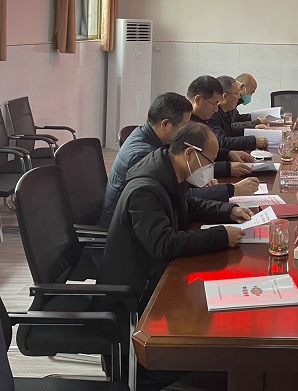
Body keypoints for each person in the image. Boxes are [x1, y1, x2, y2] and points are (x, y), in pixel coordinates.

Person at [99, 122, 253, 314]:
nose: (210, 168)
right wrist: (221, 236)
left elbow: (188, 205)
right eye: (209, 162)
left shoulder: (169, 170)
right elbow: (164, 244)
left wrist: (228, 211)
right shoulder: (145, 190)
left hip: (158, 272)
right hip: (137, 292)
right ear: (189, 154)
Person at [99, 93, 258, 230]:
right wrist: (231, 189)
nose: (186, 132)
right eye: (184, 126)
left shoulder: (152, 137)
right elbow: (179, 197)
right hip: (128, 234)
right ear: (166, 124)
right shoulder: (143, 156)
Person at [187, 75, 258, 180]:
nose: (216, 109)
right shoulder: (185, 124)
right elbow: (191, 168)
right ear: (198, 100)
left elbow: (204, 151)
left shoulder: (201, 118)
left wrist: (228, 154)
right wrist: (227, 168)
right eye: (215, 103)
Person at [208, 75, 269, 151]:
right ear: (225, 97)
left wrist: (253, 129)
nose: (239, 97)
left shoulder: (226, 111)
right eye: (237, 93)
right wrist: (253, 141)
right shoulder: (212, 114)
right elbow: (221, 142)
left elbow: (231, 131)